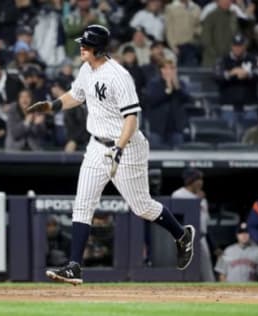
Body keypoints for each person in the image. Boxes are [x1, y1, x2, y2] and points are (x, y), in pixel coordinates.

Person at [26, 25, 195, 285]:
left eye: (86, 44)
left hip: (126, 146)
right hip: (96, 146)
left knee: (141, 206)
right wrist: (53, 106)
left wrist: (119, 148)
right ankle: (74, 267)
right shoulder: (86, 69)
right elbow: (76, 95)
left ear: (99, 48)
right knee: (83, 203)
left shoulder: (118, 76)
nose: (81, 47)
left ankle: (182, 235)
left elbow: (131, 118)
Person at [172, 169, 215, 282]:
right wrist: (197, 201)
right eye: (197, 179)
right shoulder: (178, 194)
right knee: (185, 269)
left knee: (207, 272)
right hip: (186, 237)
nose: (200, 182)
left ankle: (211, 295)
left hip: (201, 237)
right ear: (190, 181)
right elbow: (177, 218)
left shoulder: (202, 198)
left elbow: (206, 222)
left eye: (201, 179)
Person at [144, 59, 190, 147]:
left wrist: (177, 87)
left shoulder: (180, 84)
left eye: (172, 68)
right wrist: (168, 90)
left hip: (176, 127)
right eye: (167, 68)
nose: (170, 71)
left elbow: (186, 99)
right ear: (162, 70)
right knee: (157, 154)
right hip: (158, 127)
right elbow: (152, 101)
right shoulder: (154, 83)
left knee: (178, 154)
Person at [201, 0, 239, 67]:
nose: (227, 2)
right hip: (212, 60)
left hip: (229, 59)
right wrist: (216, 54)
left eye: (229, 0)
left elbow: (237, 35)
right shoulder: (211, 16)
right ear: (218, 2)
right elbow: (205, 39)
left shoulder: (234, 16)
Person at [164, 0, 202, 66]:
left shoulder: (196, 8)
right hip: (179, 45)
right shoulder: (170, 8)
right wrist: (173, 46)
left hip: (193, 44)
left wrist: (198, 33)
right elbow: (169, 29)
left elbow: (199, 25)